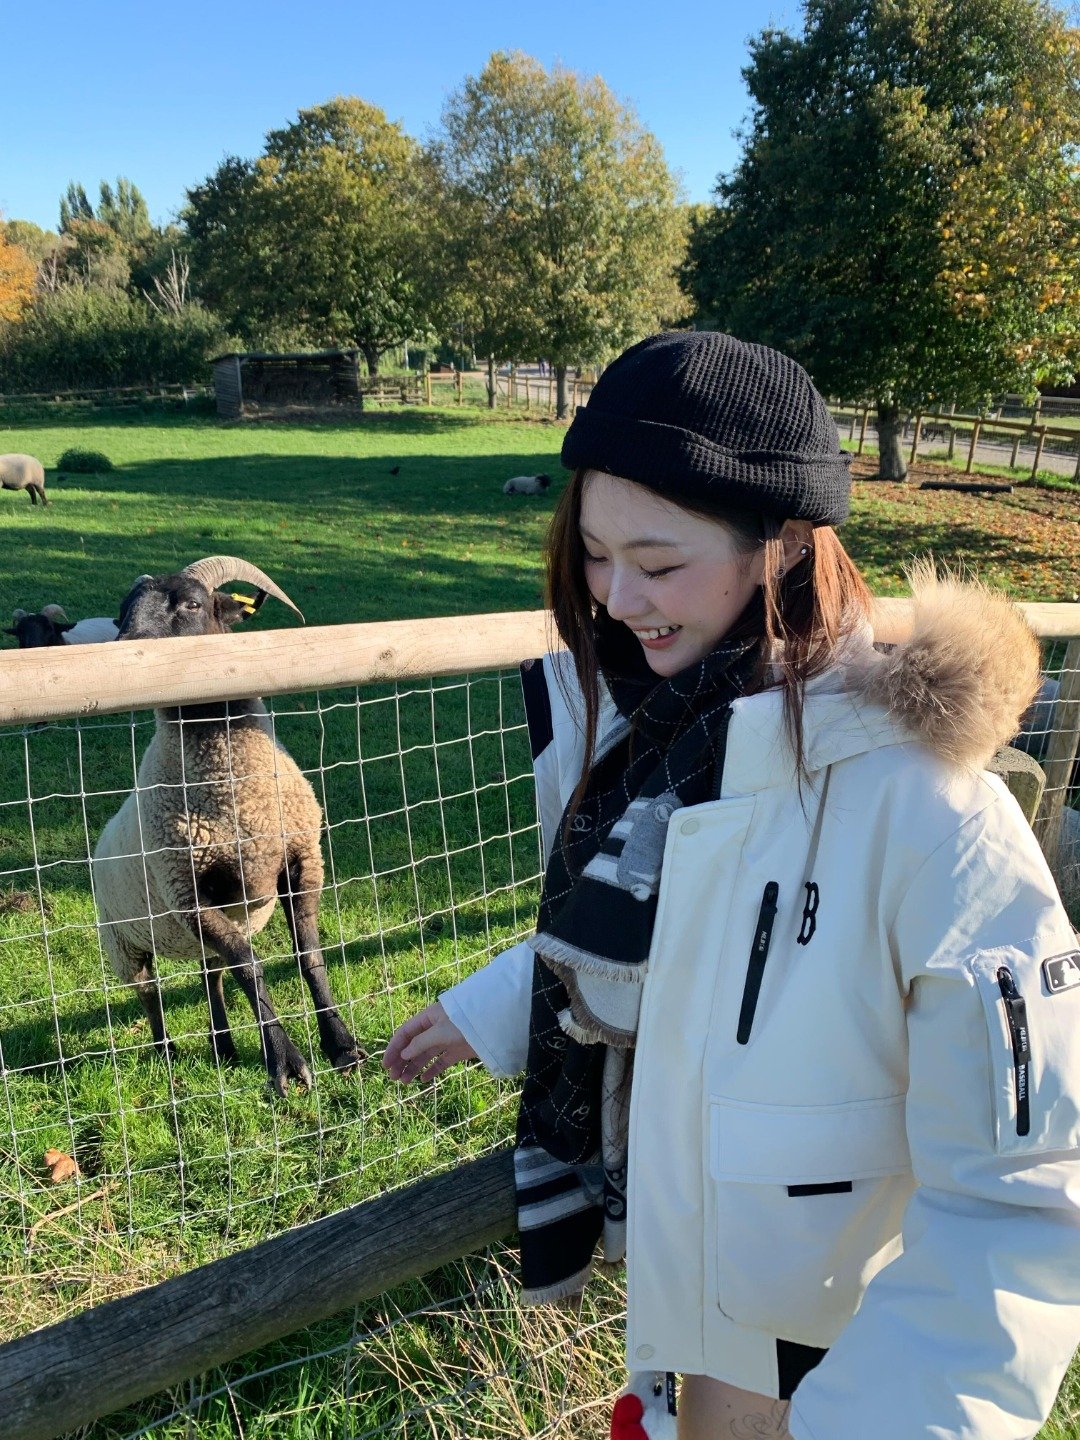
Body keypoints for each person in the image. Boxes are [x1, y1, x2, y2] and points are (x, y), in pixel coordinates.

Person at [384, 331, 1080, 1440]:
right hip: (690, 1342)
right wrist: (500, 1006)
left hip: (842, 1373)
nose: (617, 598)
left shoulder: (931, 812)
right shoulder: (654, 746)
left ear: (783, 546)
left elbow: (1023, 1196)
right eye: (595, 554)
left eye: (658, 564)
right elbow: (674, 938)